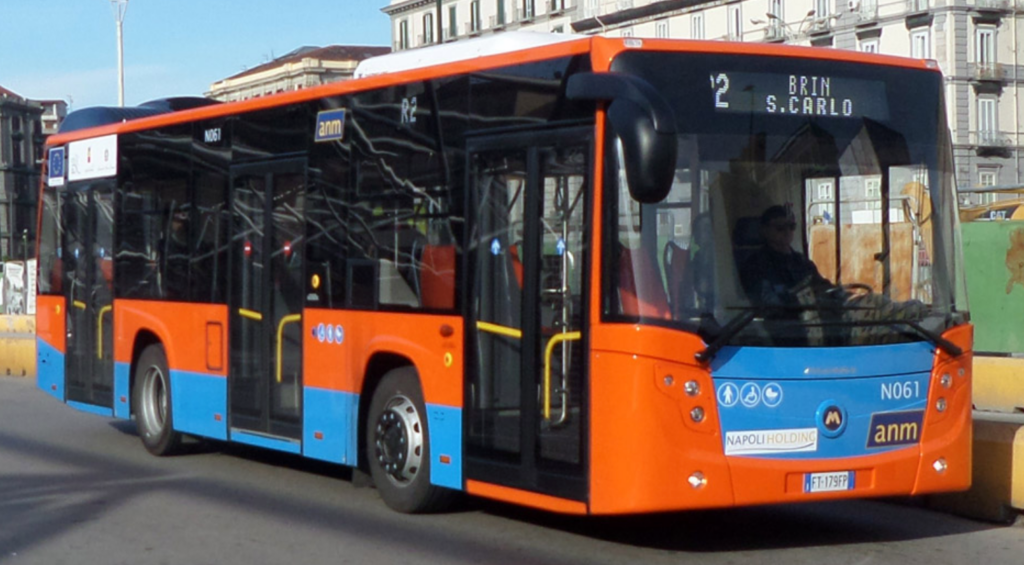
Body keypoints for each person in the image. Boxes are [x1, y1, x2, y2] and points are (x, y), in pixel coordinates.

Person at [739, 205, 831, 308]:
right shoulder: (755, 265)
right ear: (765, 231)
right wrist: (799, 297)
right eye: (780, 228)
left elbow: (824, 288)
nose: (787, 232)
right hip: (781, 322)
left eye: (791, 226)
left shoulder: (802, 262)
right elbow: (767, 305)